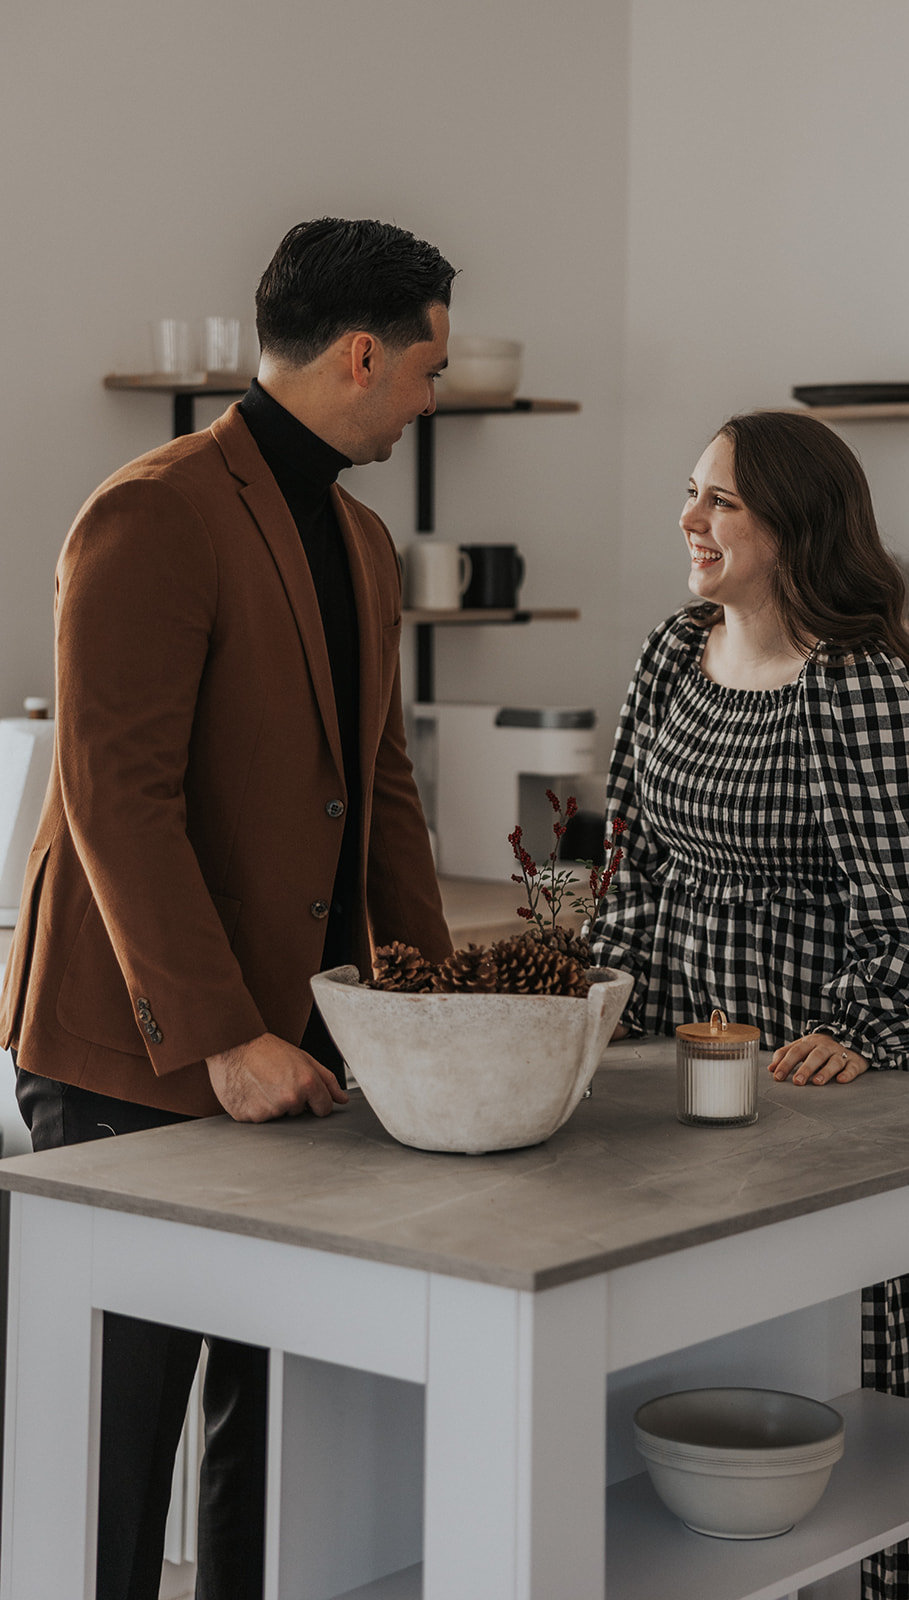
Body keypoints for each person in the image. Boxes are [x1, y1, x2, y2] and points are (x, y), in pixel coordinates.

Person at [0, 217, 457, 1600]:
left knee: (268, 1431)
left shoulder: (367, 546)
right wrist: (219, 1036)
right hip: (137, 1056)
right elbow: (111, 799)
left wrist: (442, 1011)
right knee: (112, 1455)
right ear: (362, 355)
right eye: (429, 369)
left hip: (297, 1055)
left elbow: (380, 793)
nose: (435, 399)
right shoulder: (152, 509)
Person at [590, 409, 909, 1600]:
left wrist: (858, 1033)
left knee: (834, 1377)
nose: (689, 520)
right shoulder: (674, 650)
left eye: (719, 501)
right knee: (692, 1364)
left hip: (810, 1081)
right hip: (676, 1064)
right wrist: (589, 998)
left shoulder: (860, 689)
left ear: (793, 523)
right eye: (690, 493)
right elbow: (628, 860)